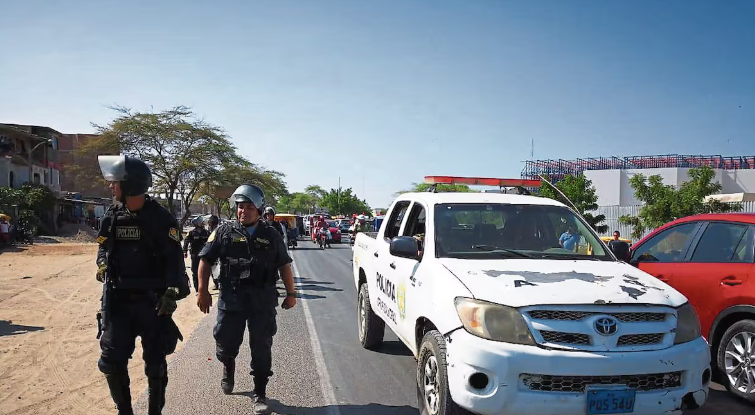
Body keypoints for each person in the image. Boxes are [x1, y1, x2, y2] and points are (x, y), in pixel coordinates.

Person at [94, 155, 190, 415]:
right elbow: (103, 247)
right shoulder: (111, 217)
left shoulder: (161, 219)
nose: (111, 187)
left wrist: (171, 293)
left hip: (152, 303)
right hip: (118, 303)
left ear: (131, 185)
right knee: (111, 363)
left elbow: (174, 261)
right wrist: (102, 264)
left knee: (155, 366)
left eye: (116, 183)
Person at [196, 184, 297, 415]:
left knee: (261, 346)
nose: (244, 211)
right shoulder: (223, 232)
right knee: (226, 343)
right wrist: (202, 290)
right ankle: (228, 368)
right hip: (231, 299)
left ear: (259, 210)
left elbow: (284, 265)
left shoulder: (270, 235)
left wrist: (291, 294)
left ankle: (260, 393)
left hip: (261, 301)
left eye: (249, 207)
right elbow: (205, 260)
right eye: (241, 207)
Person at [183, 217, 210, 292]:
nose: (202, 223)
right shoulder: (191, 233)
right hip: (195, 255)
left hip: (204, 255)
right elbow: (186, 241)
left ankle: (204, 289)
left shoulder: (207, 232)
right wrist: (184, 251)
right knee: (195, 272)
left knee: (205, 271)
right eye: (200, 222)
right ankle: (197, 289)